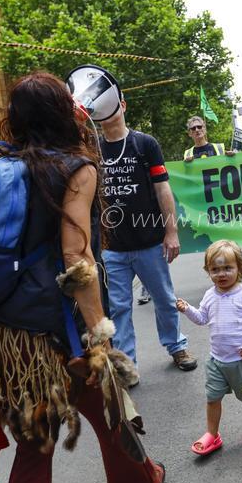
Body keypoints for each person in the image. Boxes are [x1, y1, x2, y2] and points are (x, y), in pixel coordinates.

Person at [0, 72, 165, 483]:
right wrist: (101, 336)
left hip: (10, 337)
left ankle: (142, 478)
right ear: (63, 112)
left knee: (34, 444)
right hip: (65, 333)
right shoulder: (76, 168)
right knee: (110, 413)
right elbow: (76, 256)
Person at [98, 78, 197, 373]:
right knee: (118, 308)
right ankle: (127, 363)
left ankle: (176, 346)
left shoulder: (144, 144)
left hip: (150, 242)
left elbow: (162, 188)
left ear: (122, 105)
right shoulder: (92, 149)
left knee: (164, 299)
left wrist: (171, 231)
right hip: (111, 247)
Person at [175, 240, 242, 456]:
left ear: (239, 268)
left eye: (227, 268)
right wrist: (187, 309)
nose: (221, 274)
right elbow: (202, 318)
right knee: (212, 398)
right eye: (215, 270)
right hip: (217, 361)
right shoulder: (210, 295)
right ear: (208, 271)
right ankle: (212, 434)